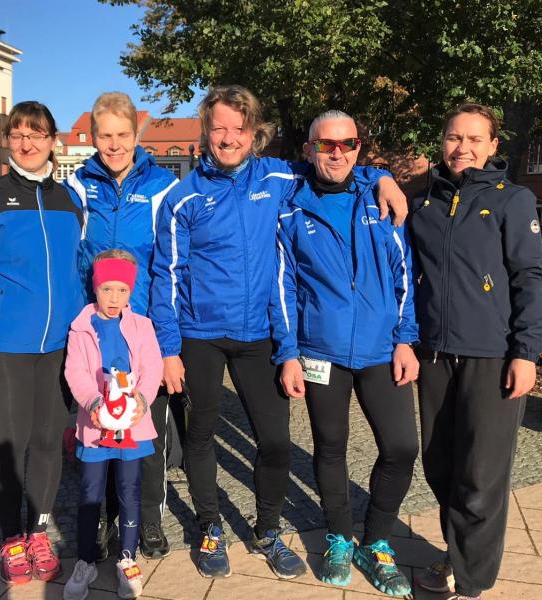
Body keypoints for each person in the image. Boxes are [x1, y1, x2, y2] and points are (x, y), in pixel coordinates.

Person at [149, 85, 407, 580]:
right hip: (199, 335)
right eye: (219, 128)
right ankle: (209, 527)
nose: (228, 138)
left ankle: (266, 530)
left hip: (260, 335)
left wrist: (383, 176)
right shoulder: (183, 198)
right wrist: (168, 348)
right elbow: (166, 273)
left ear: (254, 134)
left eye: (238, 129)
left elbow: (335, 167)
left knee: (275, 444)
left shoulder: (279, 176)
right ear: (205, 132)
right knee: (200, 436)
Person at [0, 91, 179, 560]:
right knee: (94, 428)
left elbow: (169, 265)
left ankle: (145, 518)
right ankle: (91, 518)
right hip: (89, 331)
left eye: (123, 135)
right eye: (105, 136)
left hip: (137, 328)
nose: (114, 144)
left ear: (137, 135)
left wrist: (168, 344)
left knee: (143, 431)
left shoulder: (161, 186)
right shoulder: (77, 187)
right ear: (92, 138)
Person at [274, 110, 419, 596]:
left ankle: (375, 541)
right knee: (330, 447)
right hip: (322, 350)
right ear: (309, 149)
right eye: (326, 144)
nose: (337, 152)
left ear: (358, 148)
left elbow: (404, 274)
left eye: (347, 143)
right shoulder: (290, 210)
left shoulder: (380, 199)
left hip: (382, 349)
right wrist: (288, 353)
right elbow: (283, 287)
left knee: (401, 447)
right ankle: (339, 535)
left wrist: (405, 339)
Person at [409, 103, 542, 600]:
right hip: (434, 356)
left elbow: (529, 278)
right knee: (440, 465)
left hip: (493, 357)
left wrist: (526, 352)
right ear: (442, 142)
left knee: (481, 474)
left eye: (473, 139)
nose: (462, 147)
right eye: (453, 137)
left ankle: (470, 581)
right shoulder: (423, 203)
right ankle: (457, 552)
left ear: (492, 146)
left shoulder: (514, 200)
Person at [0, 100, 84, 585]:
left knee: (47, 443)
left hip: (60, 346)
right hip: (2, 345)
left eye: (36, 134)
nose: (27, 143)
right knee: (9, 445)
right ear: (6, 142)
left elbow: (81, 271)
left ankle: (39, 532)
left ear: (52, 141)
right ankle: (10, 538)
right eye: (18, 134)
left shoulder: (71, 201)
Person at [62, 249, 163, 600]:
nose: (114, 298)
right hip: (95, 427)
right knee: (90, 494)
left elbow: (152, 368)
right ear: (95, 288)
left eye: (122, 290)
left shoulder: (142, 326)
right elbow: (75, 371)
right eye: (107, 289)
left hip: (134, 426)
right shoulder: (80, 327)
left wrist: (142, 400)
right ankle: (85, 561)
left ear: (131, 291)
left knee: (130, 491)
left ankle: (127, 558)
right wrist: (93, 402)